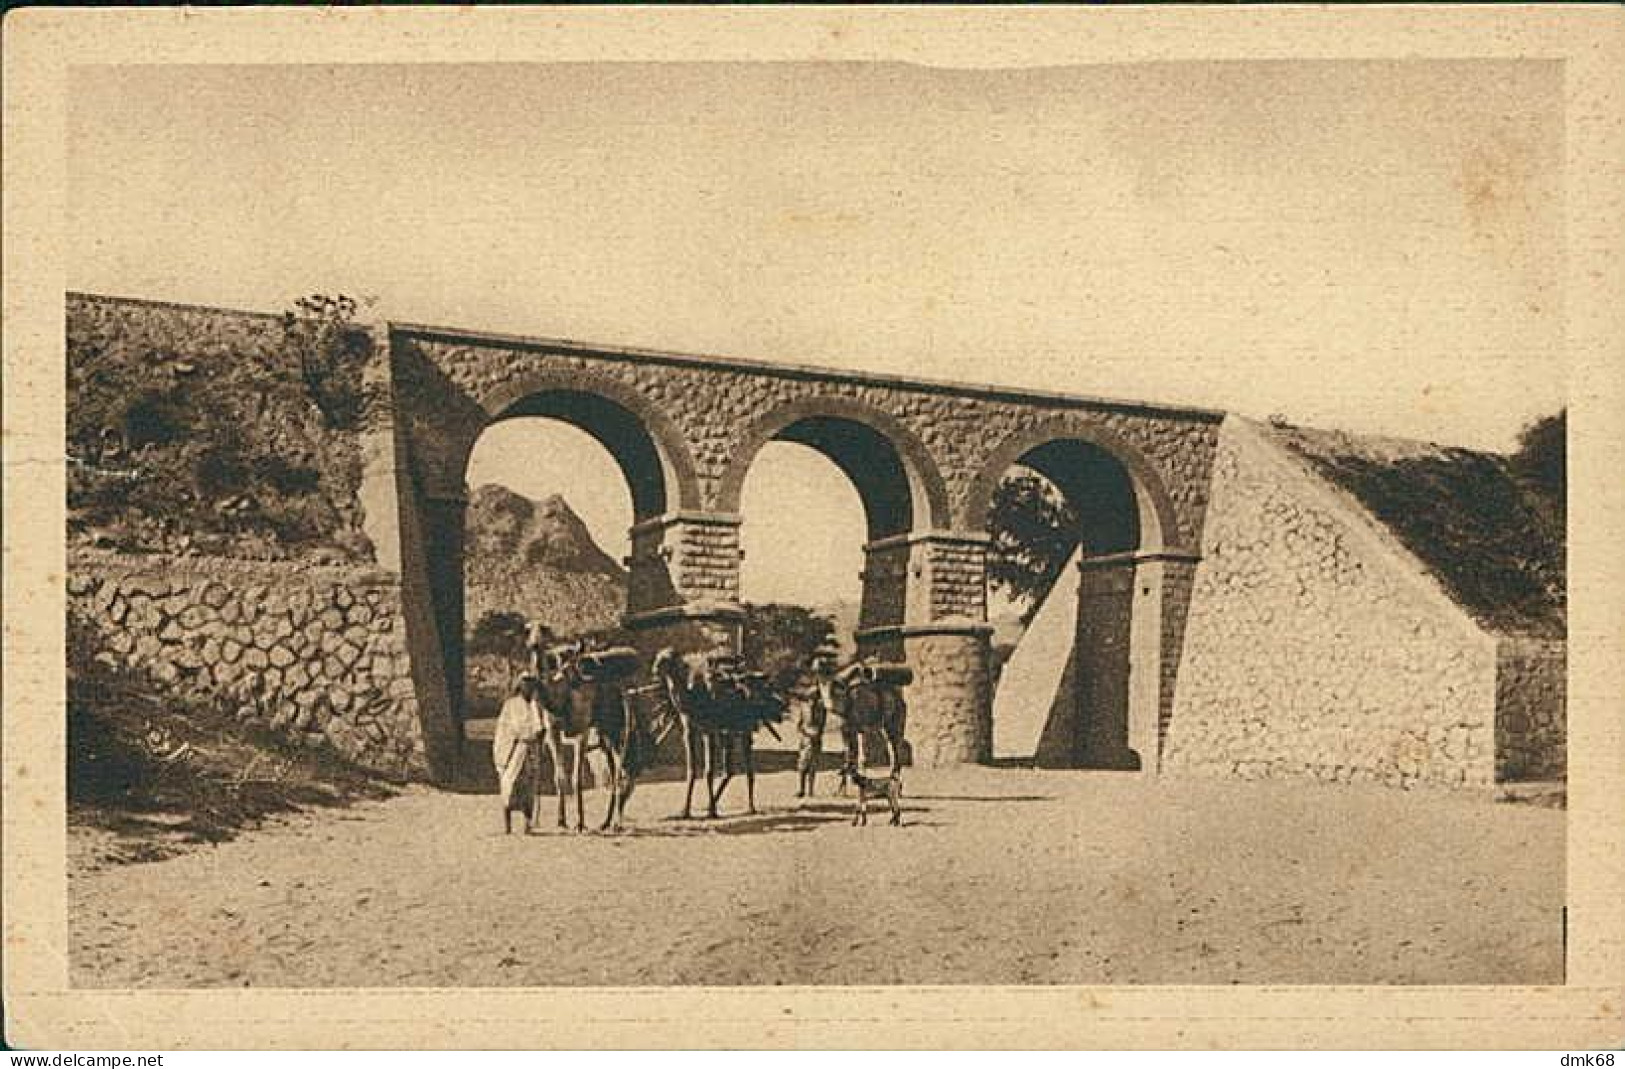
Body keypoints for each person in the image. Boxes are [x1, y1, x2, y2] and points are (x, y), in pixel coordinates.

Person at [492, 673, 544, 834]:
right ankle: (507, 825)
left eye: (532, 685)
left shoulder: (536, 705)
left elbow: (541, 727)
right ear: (520, 686)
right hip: (515, 750)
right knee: (510, 784)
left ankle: (527, 824)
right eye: (526, 685)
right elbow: (504, 728)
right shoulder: (511, 705)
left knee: (529, 787)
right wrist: (505, 751)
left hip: (531, 750)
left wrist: (540, 738)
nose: (529, 689)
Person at [796, 644, 841, 798]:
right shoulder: (804, 708)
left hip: (815, 737)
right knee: (802, 764)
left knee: (813, 764)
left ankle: (810, 790)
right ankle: (802, 789)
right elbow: (799, 724)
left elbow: (822, 722)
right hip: (805, 738)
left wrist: (817, 733)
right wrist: (804, 732)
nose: (812, 700)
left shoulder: (820, 708)